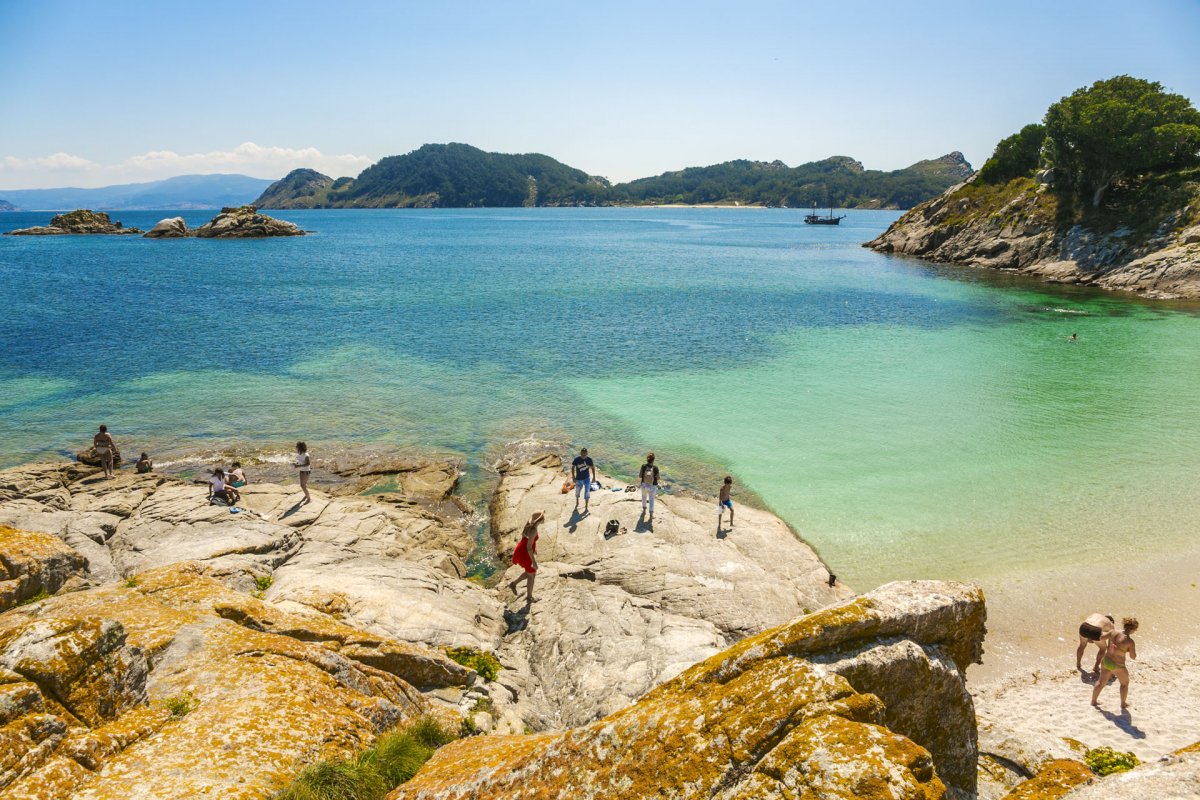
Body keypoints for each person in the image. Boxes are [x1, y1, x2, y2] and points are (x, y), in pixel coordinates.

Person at [1091, 617, 1138, 709]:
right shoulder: (1130, 641)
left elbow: (1101, 637)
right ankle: (1123, 703)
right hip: (1118, 666)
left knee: (1101, 682)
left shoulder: (1113, 632)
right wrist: (1127, 650)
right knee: (1124, 684)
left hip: (1106, 661)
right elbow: (1133, 657)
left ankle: (1093, 701)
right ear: (1133, 629)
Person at [508, 511, 543, 604]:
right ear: (540, 520)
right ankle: (529, 597)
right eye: (543, 516)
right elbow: (528, 548)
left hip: (521, 549)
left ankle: (513, 584)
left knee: (530, 574)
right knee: (531, 575)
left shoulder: (529, 525)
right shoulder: (533, 530)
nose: (545, 518)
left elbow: (524, 537)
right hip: (525, 553)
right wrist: (534, 562)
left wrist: (534, 547)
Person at [639, 453, 660, 519]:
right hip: (652, 486)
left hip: (644, 485)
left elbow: (640, 476)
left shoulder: (643, 466)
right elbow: (658, 477)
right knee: (651, 499)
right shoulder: (655, 468)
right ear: (653, 460)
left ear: (647, 459)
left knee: (644, 497)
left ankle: (644, 510)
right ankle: (651, 515)